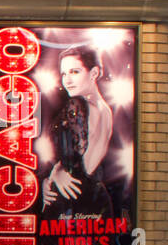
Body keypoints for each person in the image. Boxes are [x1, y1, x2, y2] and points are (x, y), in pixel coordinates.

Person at [41, 45, 115, 219]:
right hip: (95, 199)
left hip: (69, 198)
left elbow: (78, 164)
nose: (67, 80)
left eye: (75, 72)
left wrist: (54, 174)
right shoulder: (105, 110)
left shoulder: (77, 105)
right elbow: (88, 165)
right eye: (64, 74)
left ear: (94, 73)